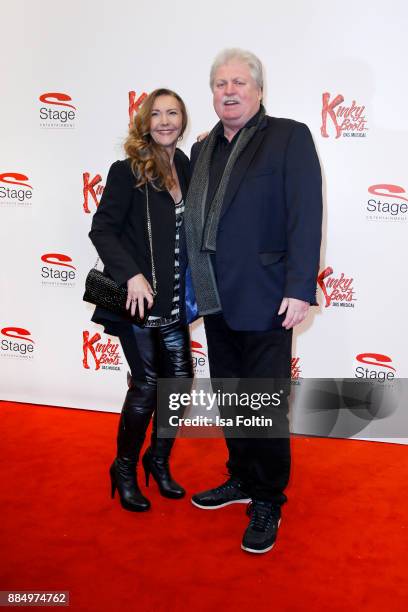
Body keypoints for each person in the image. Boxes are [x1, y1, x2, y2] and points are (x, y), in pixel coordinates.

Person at [184, 49, 322, 553]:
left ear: (258, 90)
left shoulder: (289, 136)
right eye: (220, 83)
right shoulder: (203, 151)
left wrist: (299, 287)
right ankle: (241, 478)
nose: (229, 90)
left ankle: (268, 498)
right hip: (215, 295)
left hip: (267, 296)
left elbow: (305, 215)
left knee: (263, 406)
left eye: (239, 81)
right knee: (232, 398)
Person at [89, 88, 193, 512]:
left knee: (180, 382)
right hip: (137, 302)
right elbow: (102, 229)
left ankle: (159, 459)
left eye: (173, 114)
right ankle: (125, 467)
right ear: (144, 121)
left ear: (182, 121)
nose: (165, 121)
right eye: (157, 114)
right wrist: (130, 274)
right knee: (147, 385)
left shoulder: (184, 165)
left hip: (172, 302)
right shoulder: (126, 169)